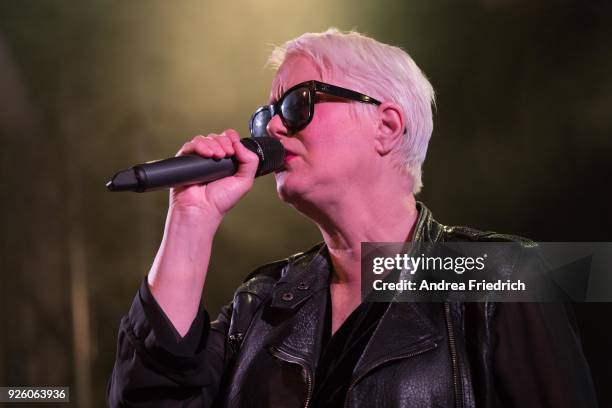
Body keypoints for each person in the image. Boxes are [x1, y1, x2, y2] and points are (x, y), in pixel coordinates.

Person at [107, 29, 597, 407]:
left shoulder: (501, 278)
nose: (274, 127)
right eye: (266, 115)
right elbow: (152, 397)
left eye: (298, 103)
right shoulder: (263, 304)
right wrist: (190, 217)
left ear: (385, 126)